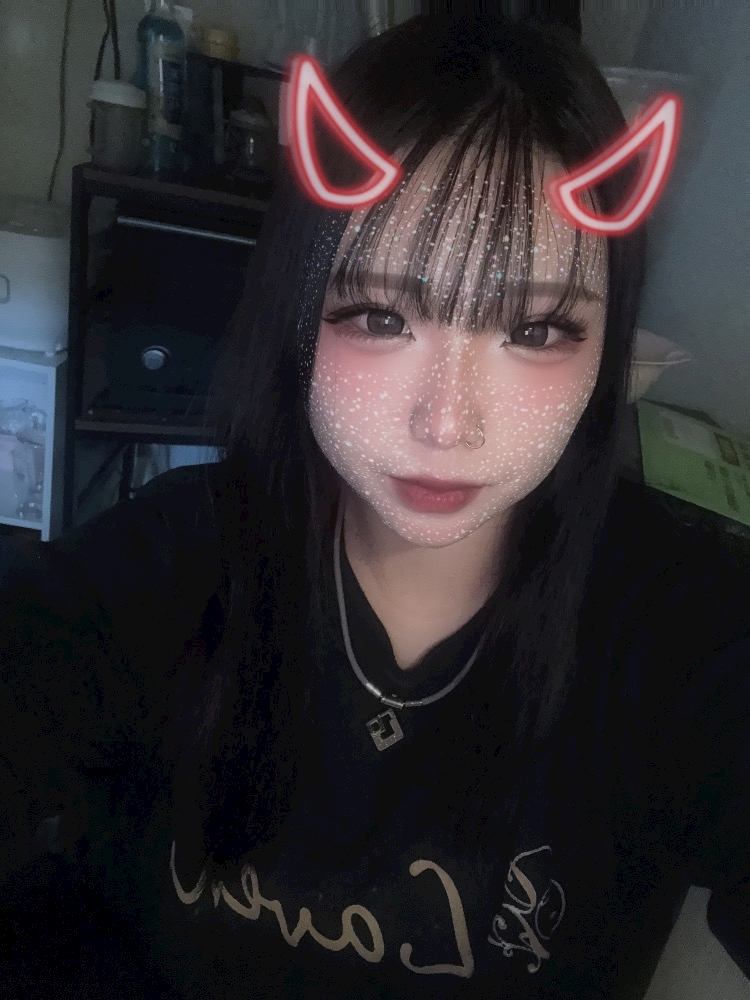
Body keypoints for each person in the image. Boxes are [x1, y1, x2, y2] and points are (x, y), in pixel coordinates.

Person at [1, 12, 749, 1000]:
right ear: (297, 313)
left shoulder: (684, 633)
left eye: (535, 329)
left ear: (607, 347)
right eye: (381, 315)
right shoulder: (178, 560)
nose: (447, 421)